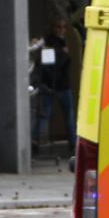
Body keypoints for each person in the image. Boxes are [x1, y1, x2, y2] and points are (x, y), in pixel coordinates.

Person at [34, 18, 76, 152]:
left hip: (57, 84)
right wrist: (64, 54)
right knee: (50, 114)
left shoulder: (58, 42)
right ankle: (37, 141)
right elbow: (53, 64)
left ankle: (36, 141)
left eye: (64, 27)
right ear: (53, 28)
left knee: (50, 114)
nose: (62, 30)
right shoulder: (52, 43)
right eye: (59, 27)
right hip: (56, 84)